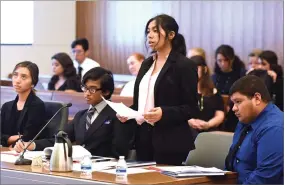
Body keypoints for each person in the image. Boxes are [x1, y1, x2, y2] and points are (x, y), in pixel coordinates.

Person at [117, 14, 199, 165]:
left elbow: (192, 108)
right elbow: (141, 104)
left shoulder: (183, 65)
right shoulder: (146, 64)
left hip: (170, 141)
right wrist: (128, 113)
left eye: (155, 30)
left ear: (171, 35)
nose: (150, 35)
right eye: (148, 31)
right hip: (143, 137)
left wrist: (164, 113)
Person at [14, 67, 134, 158]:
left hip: (106, 170)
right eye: (84, 88)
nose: (86, 93)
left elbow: (120, 151)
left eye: (92, 89)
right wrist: (32, 145)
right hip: (80, 167)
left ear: (106, 92)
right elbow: (59, 139)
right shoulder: (81, 116)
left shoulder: (118, 115)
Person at [225, 75, 283, 184]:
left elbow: (265, 177)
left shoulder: (274, 128)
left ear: (257, 98)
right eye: (233, 103)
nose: (234, 108)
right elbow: (231, 162)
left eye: (238, 101)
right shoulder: (245, 120)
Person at [1, 61, 46, 147]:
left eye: (23, 77)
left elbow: (28, 138)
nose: (17, 80)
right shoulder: (6, 106)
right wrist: (11, 138)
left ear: (33, 83)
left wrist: (6, 140)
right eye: (15, 75)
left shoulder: (37, 106)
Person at [187, 56, 225, 134]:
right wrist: (190, 121)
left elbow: (220, 114)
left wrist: (208, 124)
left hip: (210, 128)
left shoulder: (213, 91)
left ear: (204, 69)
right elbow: (179, 112)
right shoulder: (184, 90)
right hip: (189, 129)